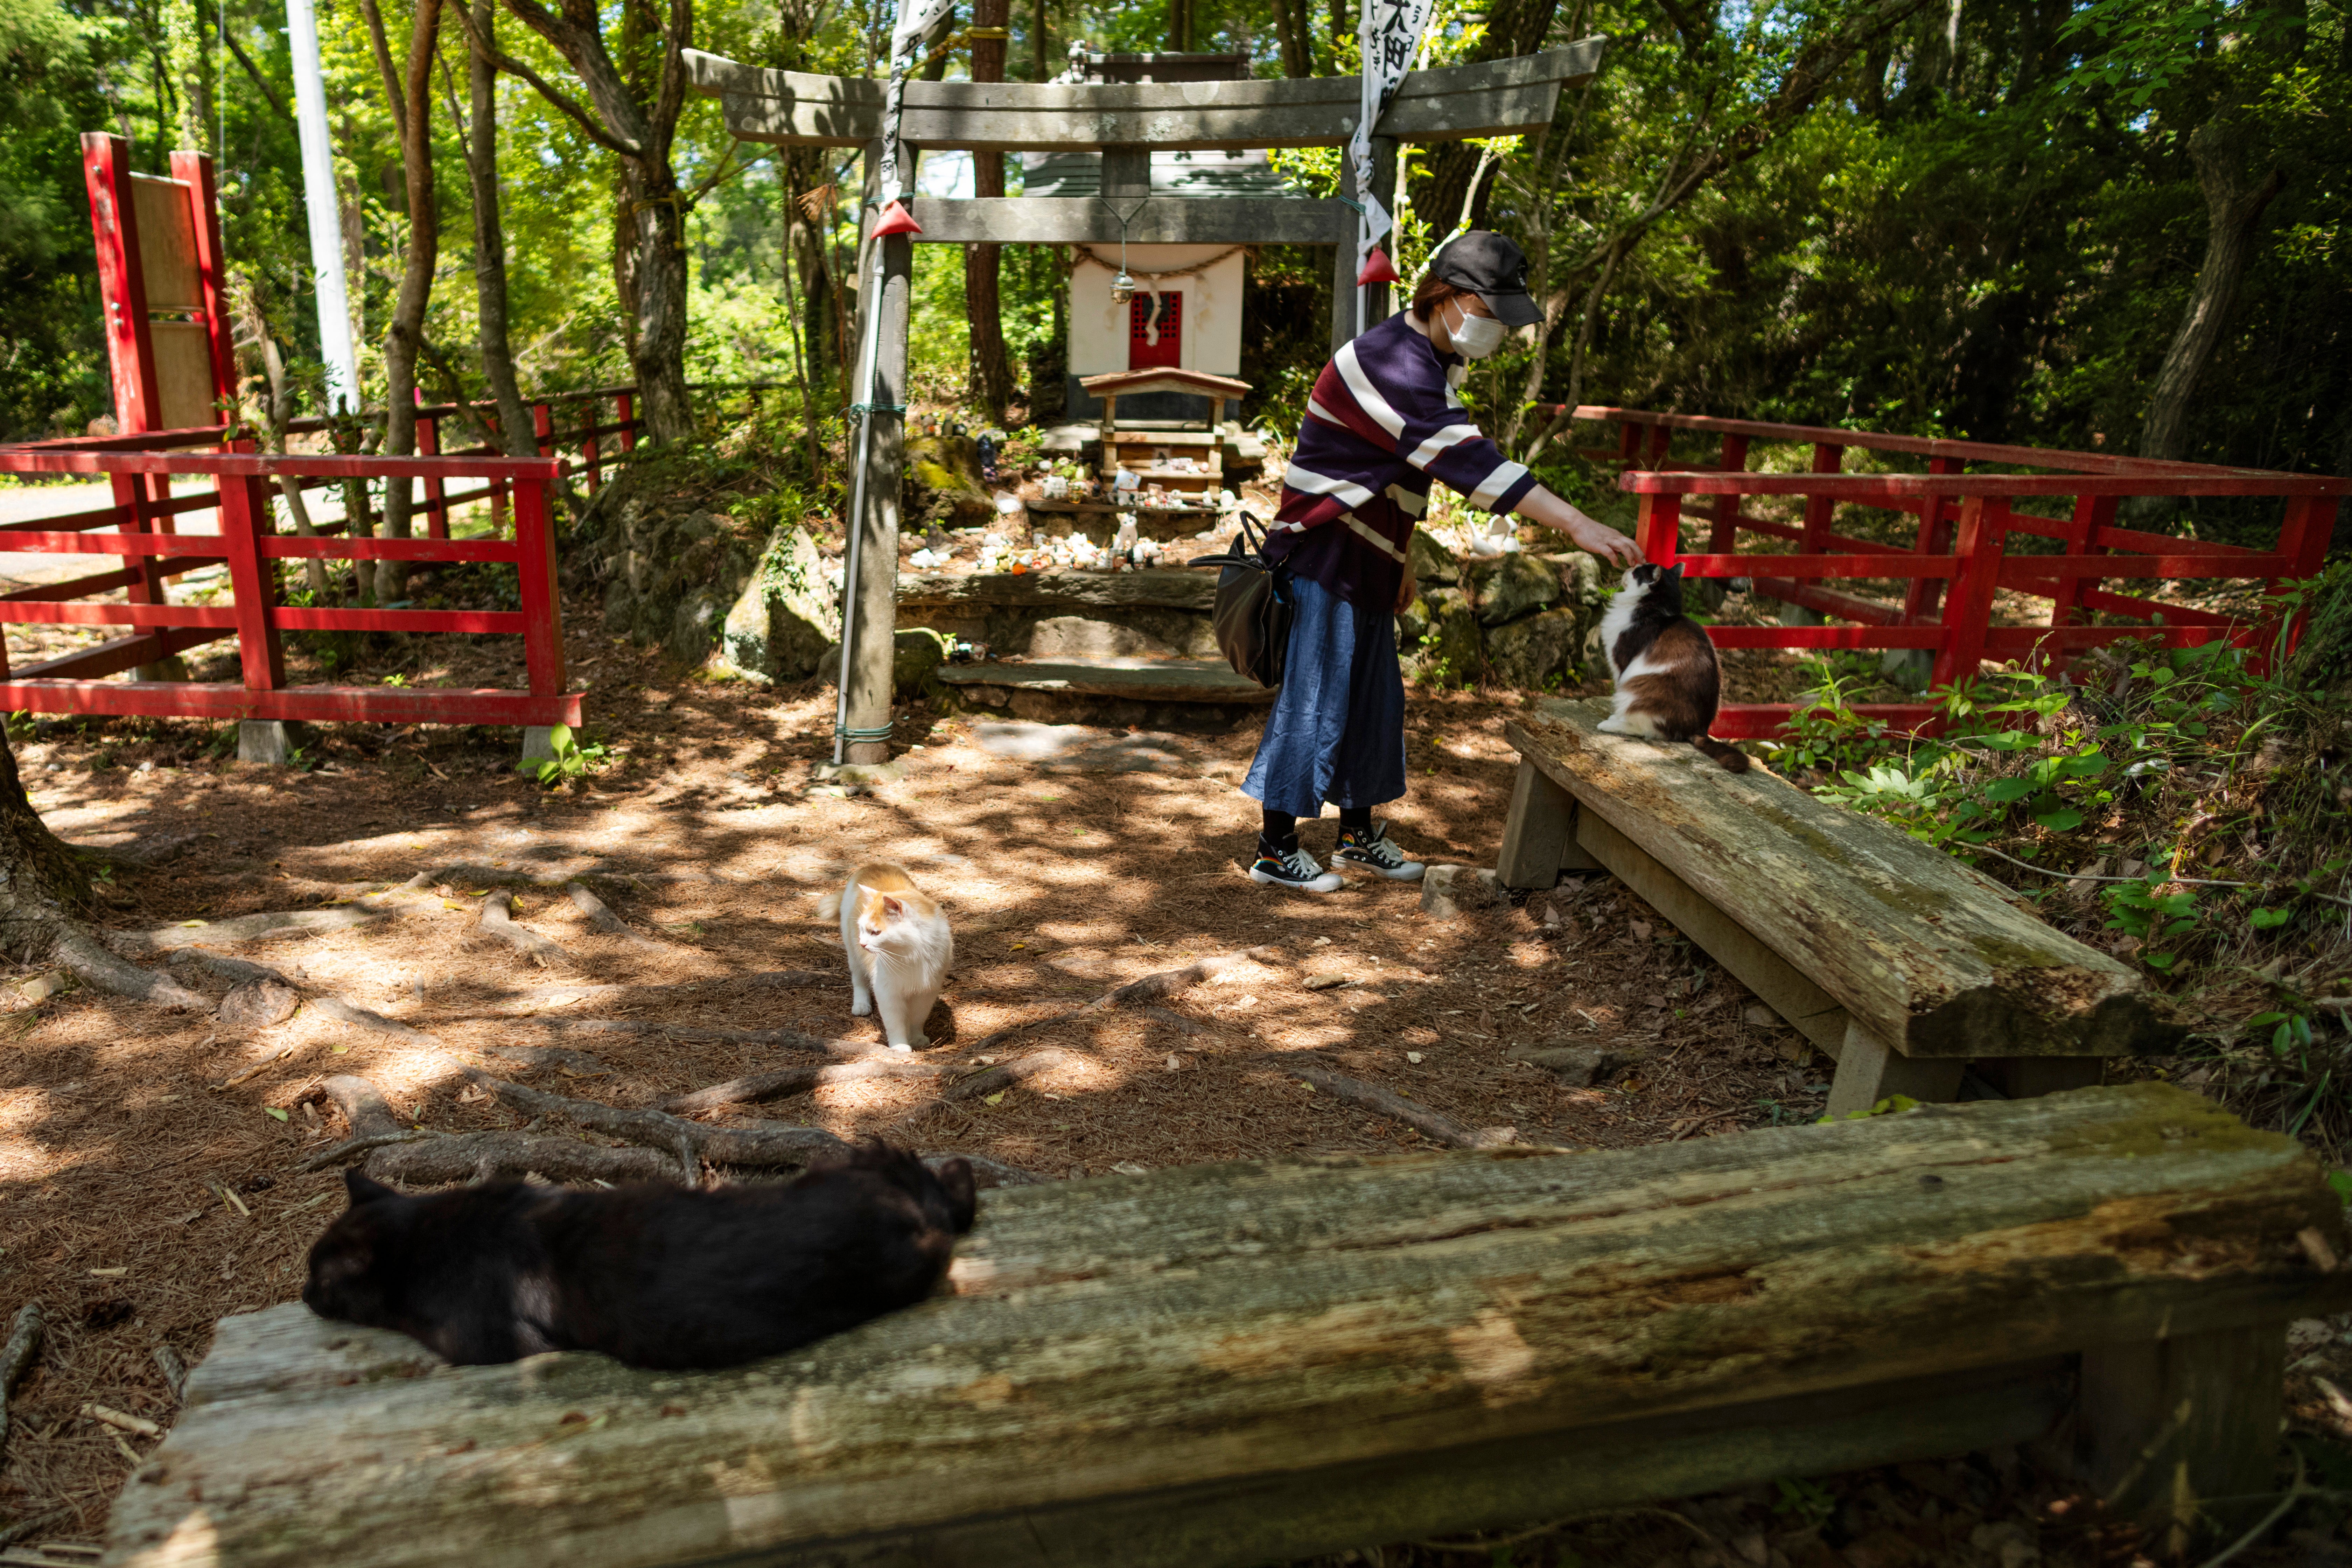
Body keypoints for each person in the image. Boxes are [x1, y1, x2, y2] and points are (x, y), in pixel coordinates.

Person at [1242, 230, 1647, 894]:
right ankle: (1276, 846)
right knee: (1317, 697)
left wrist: (1401, 557)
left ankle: (1356, 834)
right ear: (1451, 298)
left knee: (1373, 700)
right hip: (1326, 549)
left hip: (1372, 552)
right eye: (1490, 315)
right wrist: (1575, 522)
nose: (1496, 332)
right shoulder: (1393, 364)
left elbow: (1405, 470)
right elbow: (1469, 464)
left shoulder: (1429, 360)